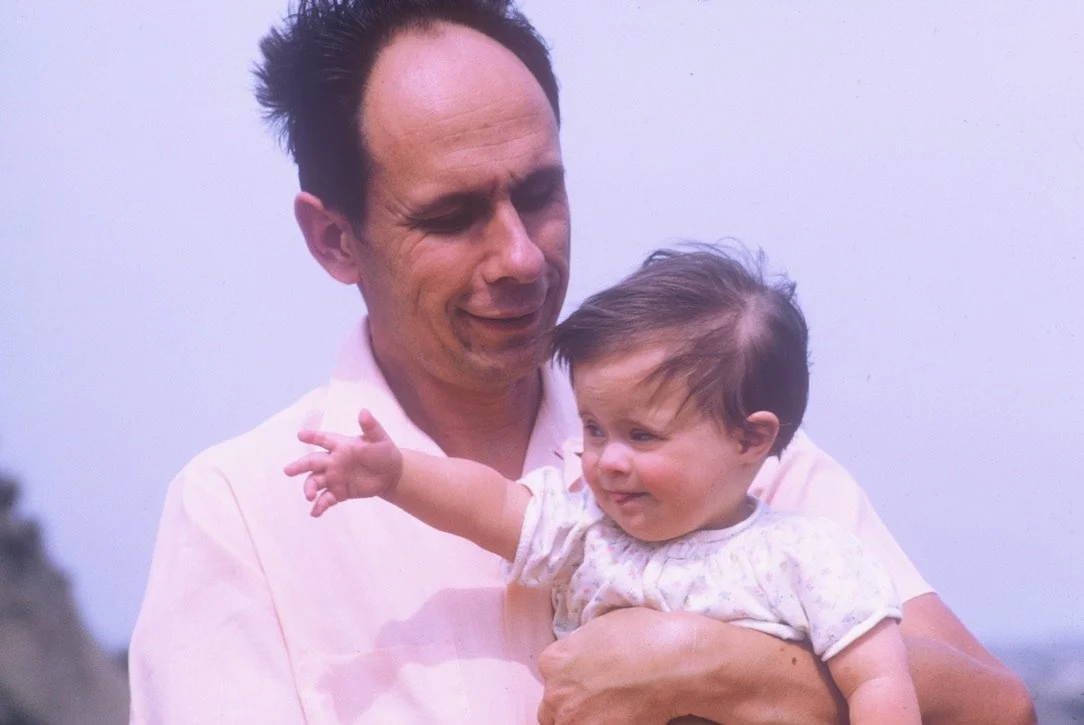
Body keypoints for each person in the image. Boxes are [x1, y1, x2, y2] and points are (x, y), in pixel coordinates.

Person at [128, 1, 1035, 723]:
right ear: (335, 238)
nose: (520, 255)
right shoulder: (241, 510)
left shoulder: (735, 448)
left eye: (539, 192)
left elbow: (1003, 710)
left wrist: (718, 667)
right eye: (451, 216)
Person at [285, 245, 923, 725]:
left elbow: (878, 681)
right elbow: (492, 504)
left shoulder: (807, 556)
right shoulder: (587, 527)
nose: (607, 460)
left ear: (750, 439)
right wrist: (396, 474)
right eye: (593, 428)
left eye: (642, 436)